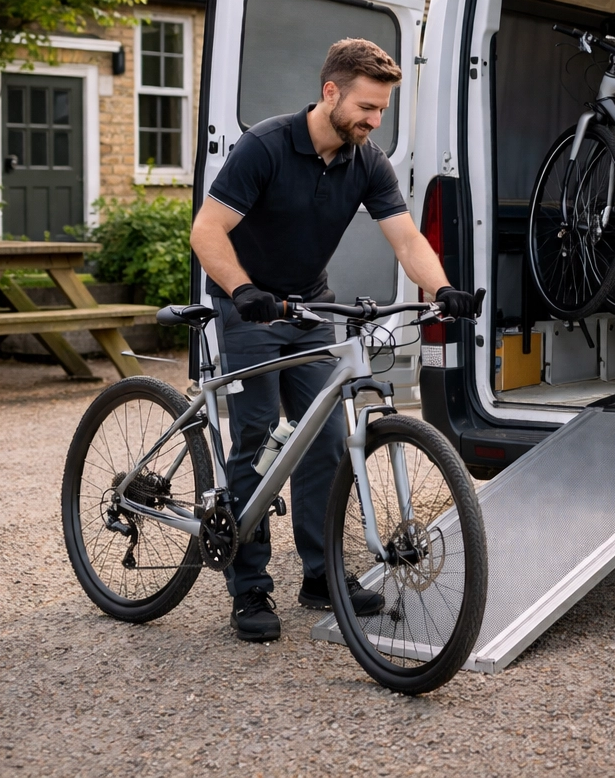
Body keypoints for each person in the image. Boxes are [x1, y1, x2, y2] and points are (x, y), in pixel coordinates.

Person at [191, 37, 478, 643]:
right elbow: (207, 230)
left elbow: (405, 239)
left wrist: (442, 289)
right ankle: (249, 587)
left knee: (325, 439)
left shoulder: (366, 161)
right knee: (259, 434)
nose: (375, 122)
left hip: (305, 303)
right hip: (247, 306)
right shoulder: (266, 146)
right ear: (330, 93)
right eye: (368, 109)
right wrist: (242, 290)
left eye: (382, 112)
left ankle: (322, 575)